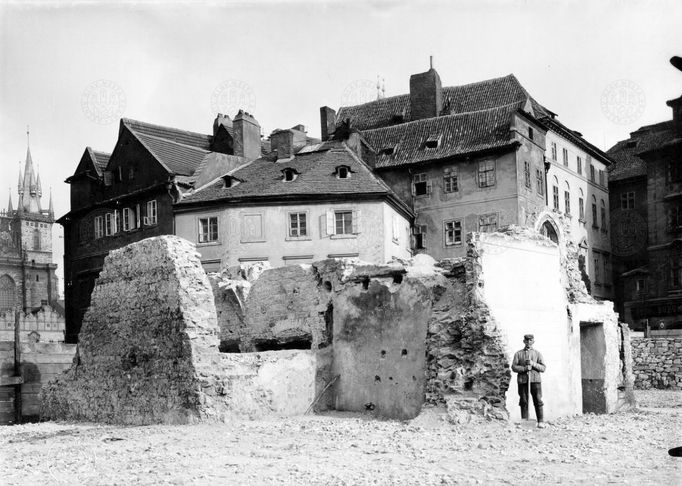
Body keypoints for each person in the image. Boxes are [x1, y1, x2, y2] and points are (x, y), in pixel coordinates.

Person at [511, 334, 547, 428]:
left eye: (531, 341)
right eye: (527, 341)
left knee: (538, 400)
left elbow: (543, 368)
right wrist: (524, 368)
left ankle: (540, 421)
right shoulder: (518, 354)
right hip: (523, 381)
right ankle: (524, 421)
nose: (529, 342)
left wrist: (533, 364)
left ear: (533, 342)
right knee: (523, 400)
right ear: (524, 341)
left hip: (535, 380)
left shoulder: (537, 354)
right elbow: (514, 367)